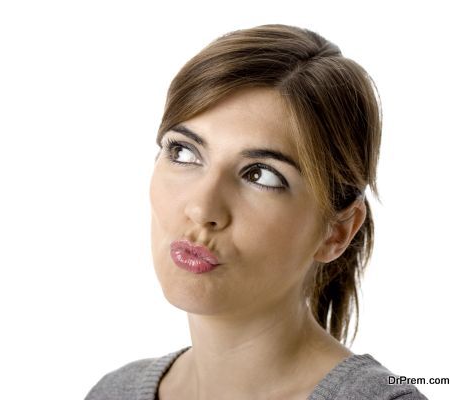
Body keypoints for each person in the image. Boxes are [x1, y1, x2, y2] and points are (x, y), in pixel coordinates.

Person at [85, 24, 428, 400]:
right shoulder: (113, 392)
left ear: (337, 232)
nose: (202, 208)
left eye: (261, 175)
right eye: (183, 152)